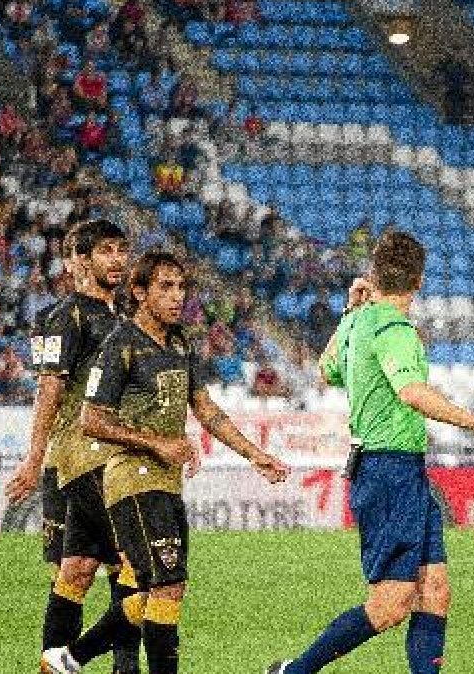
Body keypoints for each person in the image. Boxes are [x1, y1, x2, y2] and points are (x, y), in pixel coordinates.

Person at [267, 231, 474, 674]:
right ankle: (294, 671)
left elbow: (326, 370)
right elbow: (413, 392)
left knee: (435, 590)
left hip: (398, 470)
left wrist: (346, 311)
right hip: (388, 469)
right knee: (390, 605)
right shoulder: (395, 330)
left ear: (375, 274)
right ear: (419, 282)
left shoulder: (359, 320)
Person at [41, 251, 290, 674]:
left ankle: (69, 658)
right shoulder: (121, 345)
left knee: (164, 592)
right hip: (131, 479)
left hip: (166, 482)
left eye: (181, 287)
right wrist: (156, 443)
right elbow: (92, 419)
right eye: (166, 287)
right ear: (139, 293)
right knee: (167, 586)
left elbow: (206, 409)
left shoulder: (179, 343)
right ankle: (73, 659)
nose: (178, 297)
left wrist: (254, 454)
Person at [5, 220, 141, 672]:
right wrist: (33, 458)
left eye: (122, 249)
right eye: (106, 250)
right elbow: (49, 388)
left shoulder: (122, 321)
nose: (118, 259)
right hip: (72, 463)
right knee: (87, 571)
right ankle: (80, 662)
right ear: (81, 261)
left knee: (96, 567)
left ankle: (104, 666)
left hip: (111, 462)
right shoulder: (65, 316)